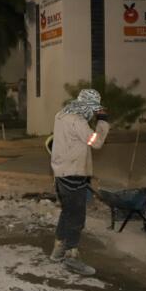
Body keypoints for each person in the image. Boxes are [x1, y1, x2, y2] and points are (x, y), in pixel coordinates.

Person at [50, 89, 109, 275]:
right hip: (74, 173)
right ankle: (72, 257)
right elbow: (96, 142)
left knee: (67, 212)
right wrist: (103, 121)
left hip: (61, 172)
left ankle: (57, 251)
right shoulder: (78, 120)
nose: (92, 112)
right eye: (93, 108)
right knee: (76, 217)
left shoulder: (61, 114)